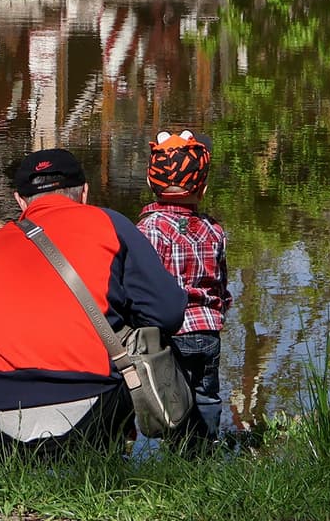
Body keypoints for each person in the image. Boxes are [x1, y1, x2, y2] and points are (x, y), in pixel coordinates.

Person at [0, 147, 186, 457]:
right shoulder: (110, 224)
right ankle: (112, 468)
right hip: (90, 409)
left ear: (19, 201)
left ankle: (20, 472)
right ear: (84, 192)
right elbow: (168, 313)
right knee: (135, 355)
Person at [137, 129, 230, 446]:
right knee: (206, 393)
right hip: (207, 331)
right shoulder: (213, 229)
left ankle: (177, 451)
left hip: (168, 332)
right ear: (201, 189)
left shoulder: (147, 229)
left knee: (170, 393)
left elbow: (142, 285)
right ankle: (206, 447)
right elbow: (222, 283)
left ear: (151, 185)